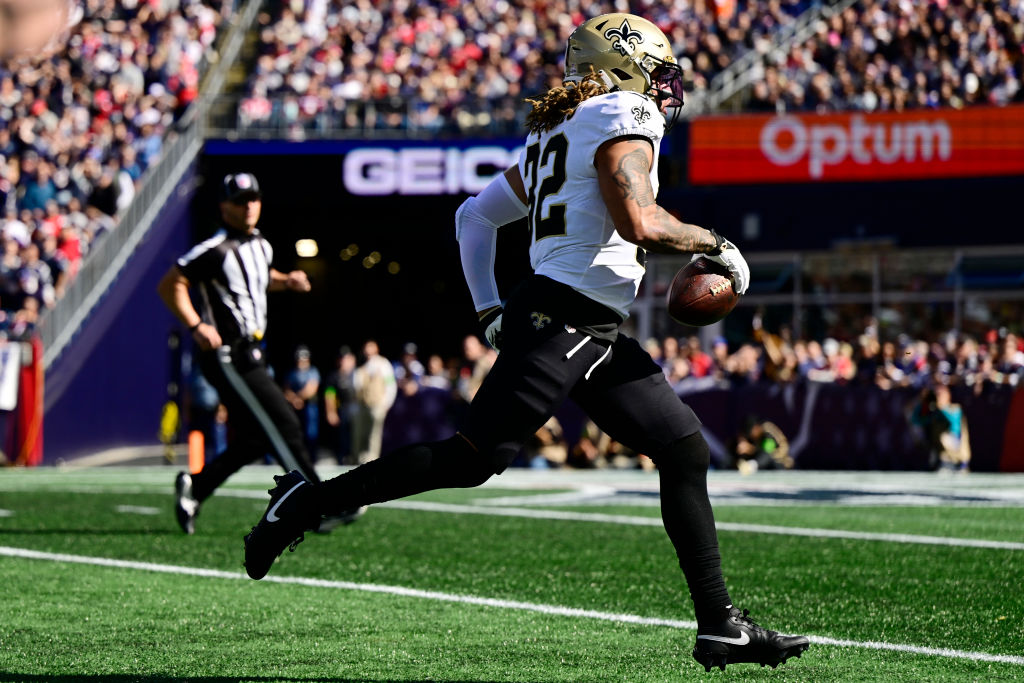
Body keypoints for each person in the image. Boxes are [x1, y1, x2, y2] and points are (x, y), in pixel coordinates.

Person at [242, 14, 808, 673]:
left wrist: (489, 311)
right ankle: (302, 503)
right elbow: (642, 223)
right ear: (622, 70)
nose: (663, 88)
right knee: (473, 457)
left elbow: (473, 216)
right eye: (655, 72)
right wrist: (719, 247)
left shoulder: (563, 129)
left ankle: (720, 626)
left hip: (581, 320)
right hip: (567, 317)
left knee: (681, 444)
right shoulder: (622, 114)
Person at [157, 172, 362, 534]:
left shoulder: (260, 245)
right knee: (285, 424)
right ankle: (319, 504)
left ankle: (197, 486)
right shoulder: (214, 248)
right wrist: (195, 325)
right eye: (239, 200)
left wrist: (287, 281)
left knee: (256, 438)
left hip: (252, 352)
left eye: (253, 198)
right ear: (224, 206)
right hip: (229, 354)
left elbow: (259, 278)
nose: (248, 205)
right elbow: (170, 283)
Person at [351, 339, 397, 464]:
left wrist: (386, 403)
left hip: (377, 405)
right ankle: (357, 460)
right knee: (359, 434)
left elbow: (391, 385)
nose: (368, 351)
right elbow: (356, 388)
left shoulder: (383, 364)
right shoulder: (361, 366)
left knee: (374, 436)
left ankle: (371, 462)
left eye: (371, 347)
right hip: (362, 406)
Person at [283, 344, 321, 461]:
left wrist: (298, 398)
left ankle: (312, 458)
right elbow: (286, 389)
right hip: (295, 407)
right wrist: (294, 399)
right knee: (296, 433)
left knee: (311, 434)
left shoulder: (313, 371)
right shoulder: (292, 373)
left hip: (309, 406)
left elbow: (312, 389)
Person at [323, 345, 358, 465]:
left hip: (357, 410)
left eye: (347, 358)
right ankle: (341, 460)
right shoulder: (334, 376)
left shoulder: (358, 374)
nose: (344, 361)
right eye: (342, 358)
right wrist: (330, 412)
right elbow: (329, 395)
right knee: (341, 439)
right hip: (342, 409)